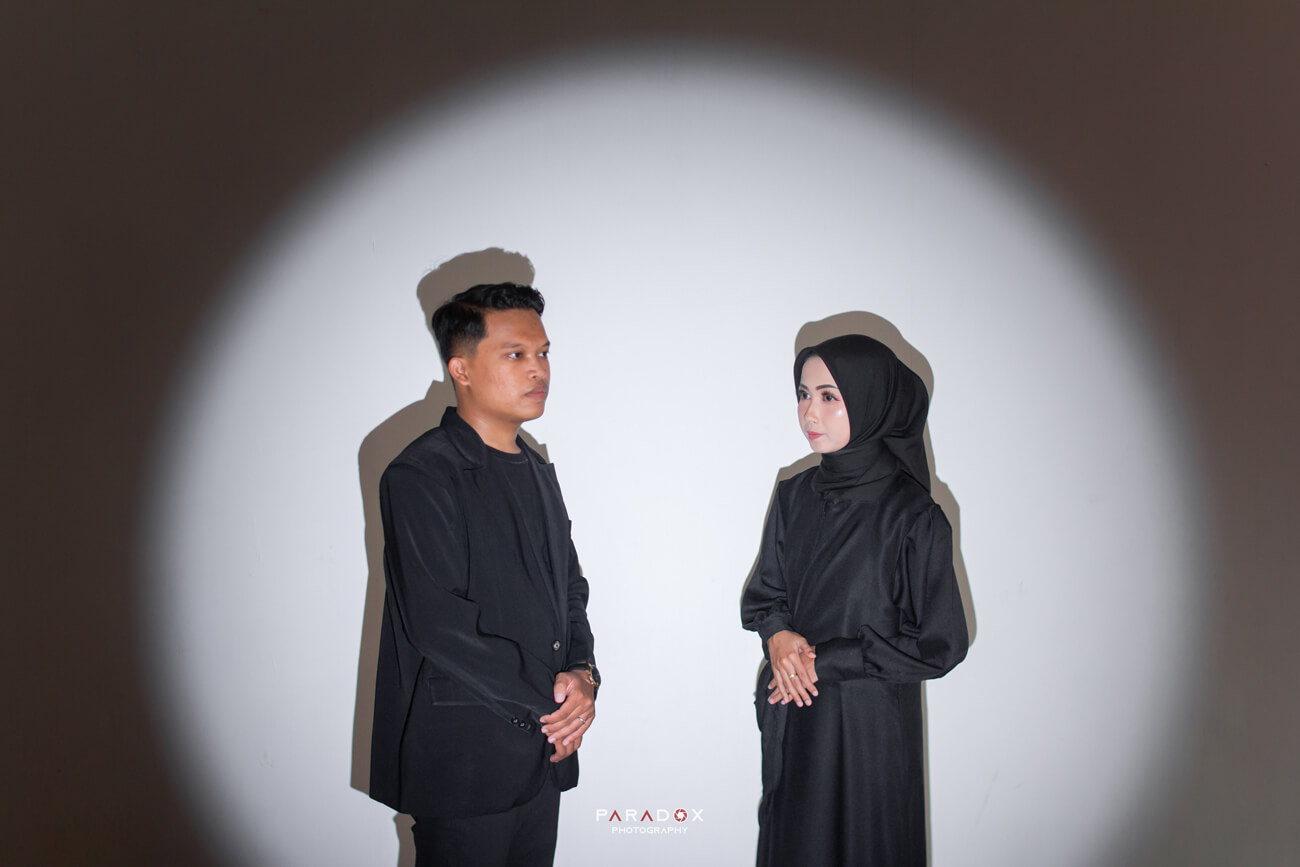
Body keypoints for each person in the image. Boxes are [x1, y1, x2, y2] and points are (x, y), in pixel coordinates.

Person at [369, 282, 599, 867]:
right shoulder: (420, 474)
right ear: (462, 368)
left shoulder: (538, 470)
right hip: (464, 767)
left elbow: (570, 591)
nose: (538, 369)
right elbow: (439, 626)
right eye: (516, 354)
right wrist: (553, 707)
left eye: (543, 353)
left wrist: (584, 674)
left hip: (542, 758)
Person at [741, 334, 968, 867]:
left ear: (870, 401)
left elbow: (941, 643)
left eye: (829, 396)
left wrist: (831, 659)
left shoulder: (913, 515)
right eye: (803, 394)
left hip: (870, 730)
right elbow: (767, 594)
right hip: (798, 713)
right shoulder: (793, 494)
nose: (809, 413)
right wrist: (778, 635)